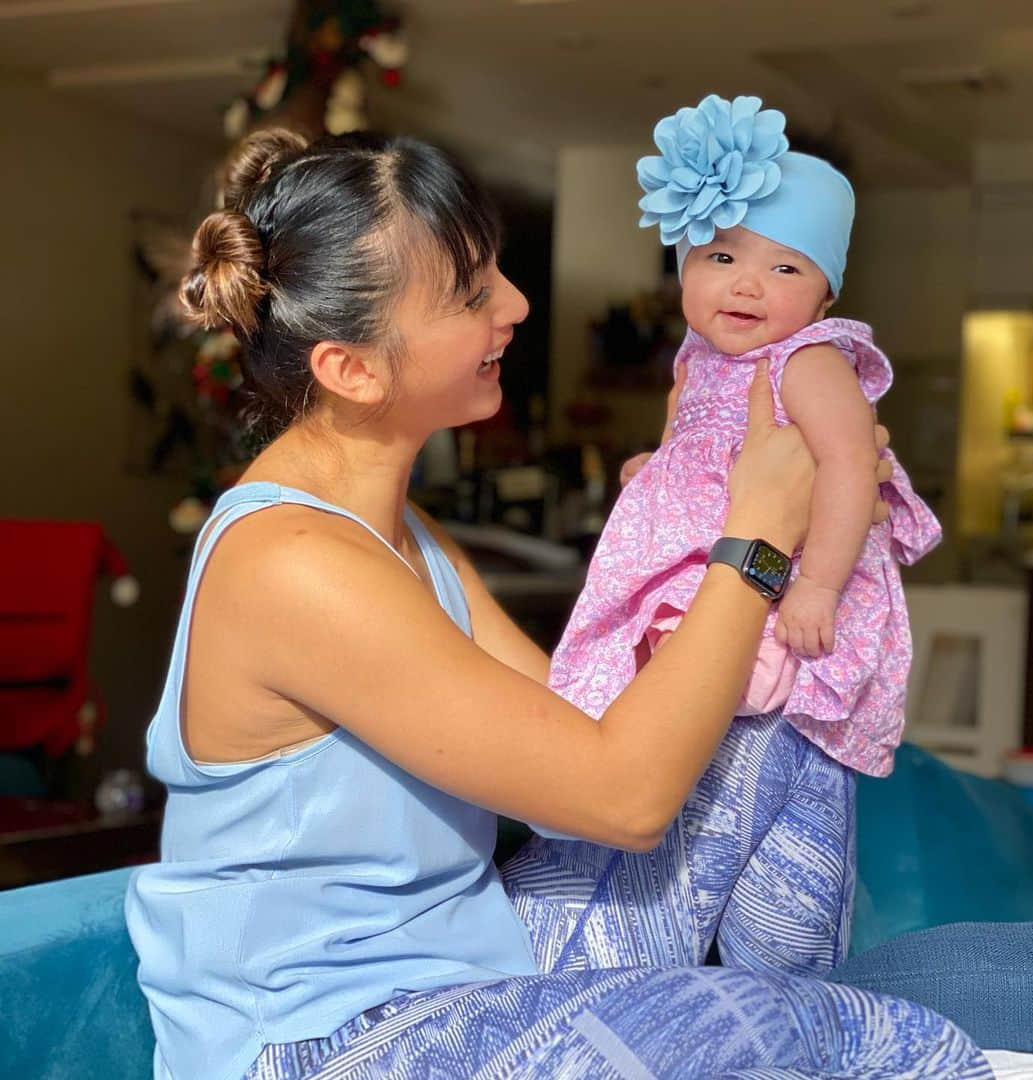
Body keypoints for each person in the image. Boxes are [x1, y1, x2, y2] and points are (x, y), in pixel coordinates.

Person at [124, 128, 989, 1080]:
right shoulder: (291, 564)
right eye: (470, 291)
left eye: (496, 267)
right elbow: (621, 799)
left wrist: (704, 519)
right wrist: (754, 540)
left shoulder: (397, 529)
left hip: (474, 967)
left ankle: (808, 971)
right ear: (352, 369)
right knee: (848, 1038)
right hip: (329, 1038)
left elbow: (581, 730)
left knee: (774, 744)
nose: (517, 304)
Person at [509, 95, 940, 978]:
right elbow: (695, 449)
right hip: (714, 560)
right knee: (652, 701)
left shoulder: (809, 360)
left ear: (826, 292)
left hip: (788, 583)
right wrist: (655, 473)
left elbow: (851, 470)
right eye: (722, 256)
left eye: (787, 269)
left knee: (735, 727)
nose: (748, 284)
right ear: (683, 262)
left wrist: (817, 584)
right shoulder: (700, 360)